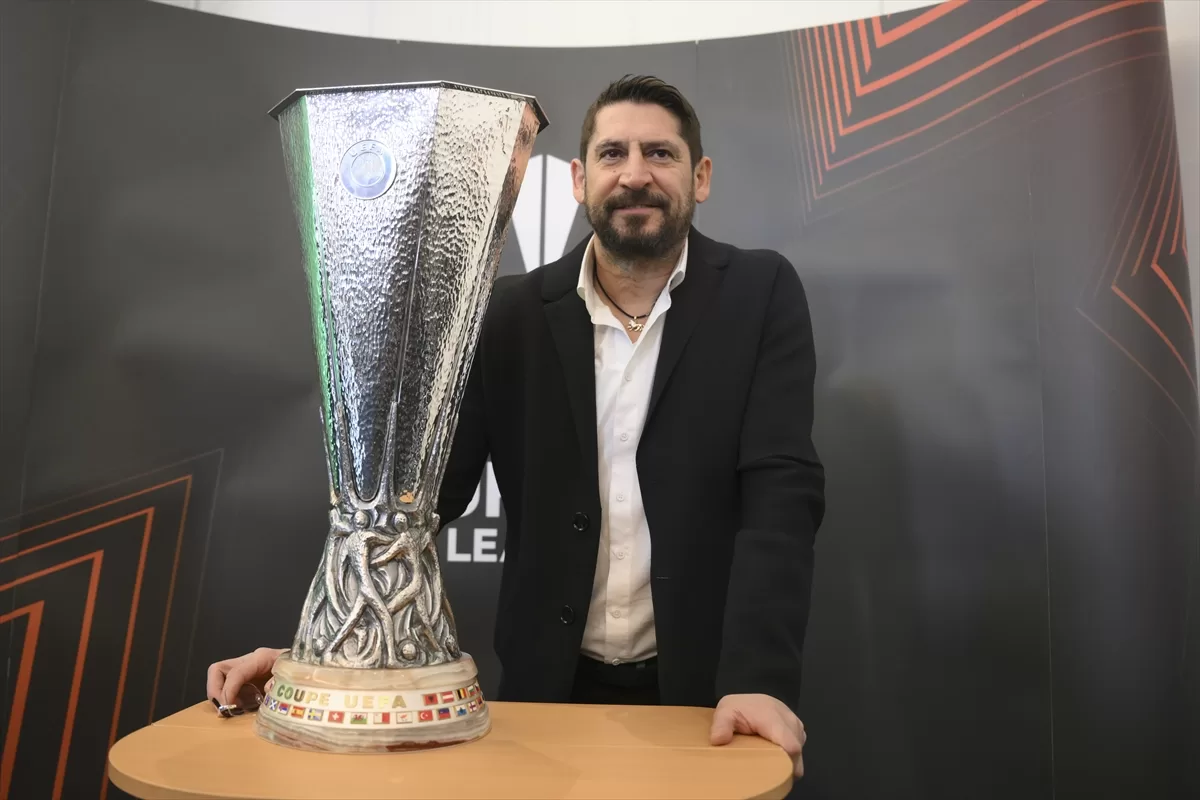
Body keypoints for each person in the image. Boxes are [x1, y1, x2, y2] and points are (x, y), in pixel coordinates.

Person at [207, 75, 824, 778]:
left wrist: (759, 678)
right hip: (544, 698)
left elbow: (782, 498)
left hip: (711, 700)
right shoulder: (511, 314)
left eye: (660, 153)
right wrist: (315, 652)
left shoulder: (759, 294)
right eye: (613, 154)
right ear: (578, 179)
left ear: (700, 176)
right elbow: (417, 499)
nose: (635, 174)